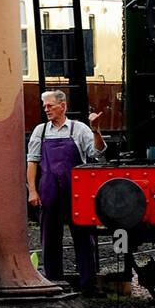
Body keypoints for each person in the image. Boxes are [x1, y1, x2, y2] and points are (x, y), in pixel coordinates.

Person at [26, 90, 106, 294]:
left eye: (50, 106)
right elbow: (32, 162)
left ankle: (88, 283)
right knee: (49, 236)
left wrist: (95, 130)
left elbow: (96, 153)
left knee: (84, 236)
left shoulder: (79, 129)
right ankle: (53, 281)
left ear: (62, 106)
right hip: (49, 189)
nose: (46, 110)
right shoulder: (40, 131)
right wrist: (32, 191)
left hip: (77, 190)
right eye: (45, 107)